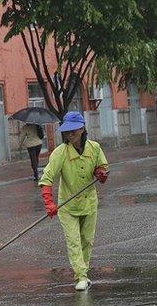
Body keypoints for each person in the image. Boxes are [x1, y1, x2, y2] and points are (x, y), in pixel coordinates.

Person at [39, 112, 109, 292]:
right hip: (67, 206)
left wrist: (100, 174)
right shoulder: (60, 153)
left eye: (73, 130)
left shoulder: (94, 148)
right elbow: (47, 178)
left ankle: (82, 272)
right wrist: (49, 202)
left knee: (87, 240)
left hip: (89, 203)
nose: (69, 134)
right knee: (74, 241)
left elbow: (102, 168)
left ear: (82, 128)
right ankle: (81, 276)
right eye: (66, 131)